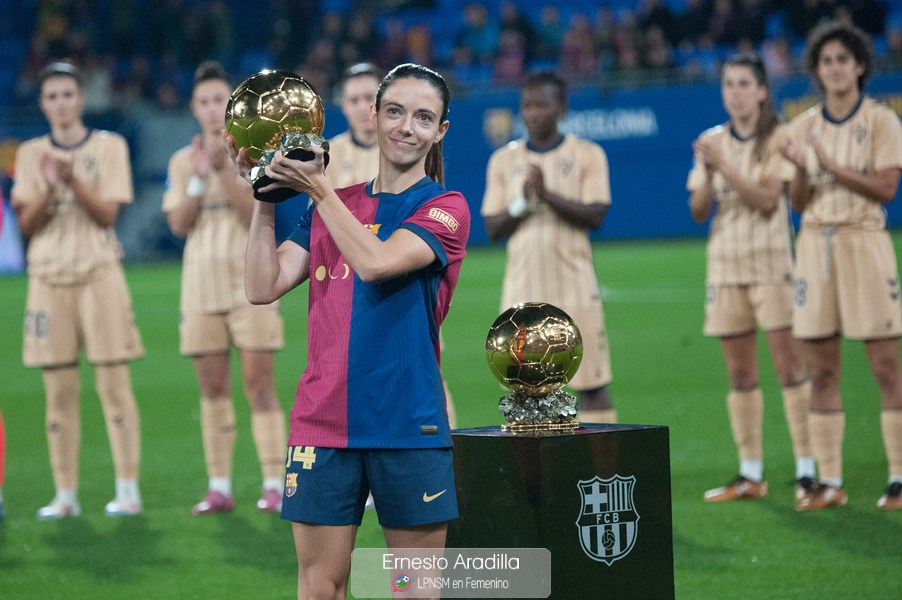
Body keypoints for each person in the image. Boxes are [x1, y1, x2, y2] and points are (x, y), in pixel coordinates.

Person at [232, 63, 469, 599]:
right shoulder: (335, 204)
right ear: (373, 116)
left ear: (441, 131)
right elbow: (262, 285)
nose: (407, 127)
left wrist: (317, 189)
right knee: (319, 587)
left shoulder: (443, 207)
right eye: (395, 112)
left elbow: (378, 263)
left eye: (423, 117)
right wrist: (262, 198)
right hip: (323, 423)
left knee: (413, 589)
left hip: (407, 426)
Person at [11, 61, 143, 519]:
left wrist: (71, 181)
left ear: (81, 98)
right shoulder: (28, 154)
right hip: (48, 277)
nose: (61, 103)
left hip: (99, 274)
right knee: (58, 392)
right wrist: (48, 191)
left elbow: (108, 215)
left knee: (114, 386)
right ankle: (65, 494)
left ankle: (127, 488)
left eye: (68, 94)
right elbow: (26, 225)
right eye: (52, 96)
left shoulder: (110, 147)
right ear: (43, 103)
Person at [780, 21, 902, 511]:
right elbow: (800, 201)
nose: (834, 68)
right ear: (816, 71)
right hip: (814, 248)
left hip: (864, 242)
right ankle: (830, 481)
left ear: (860, 67)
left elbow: (887, 189)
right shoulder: (801, 127)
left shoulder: (881, 121)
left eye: (842, 59)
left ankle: (897, 477)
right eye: (825, 61)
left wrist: (829, 165)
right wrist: (798, 170)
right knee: (822, 370)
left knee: (887, 369)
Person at [687, 53, 815, 505]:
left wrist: (723, 165)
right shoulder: (711, 141)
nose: (735, 92)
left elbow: (766, 200)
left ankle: (806, 469)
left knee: (789, 369)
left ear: (762, 91)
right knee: (740, 374)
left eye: (744, 83)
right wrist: (707, 170)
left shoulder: (782, 137)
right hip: (725, 267)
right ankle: (750, 472)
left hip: (772, 265)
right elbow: (699, 210)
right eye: (728, 84)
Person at [163, 61, 287, 516]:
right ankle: (219, 486)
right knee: (212, 389)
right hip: (199, 289)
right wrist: (199, 175)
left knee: (259, 387)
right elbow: (179, 223)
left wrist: (221, 171)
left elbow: (247, 212)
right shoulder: (181, 161)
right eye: (205, 101)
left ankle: (274, 483)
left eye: (221, 100)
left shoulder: (256, 155)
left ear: (234, 104)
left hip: (249, 286)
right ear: (194, 107)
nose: (213, 109)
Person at [481, 70, 616, 424]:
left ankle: (597, 472)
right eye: (526, 105)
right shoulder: (502, 160)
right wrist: (523, 203)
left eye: (541, 104)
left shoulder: (587, 153)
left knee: (592, 384)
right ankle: (537, 475)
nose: (532, 113)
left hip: (576, 287)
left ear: (562, 108)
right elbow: (493, 228)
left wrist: (547, 194)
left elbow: (596, 215)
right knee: (523, 388)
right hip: (521, 295)